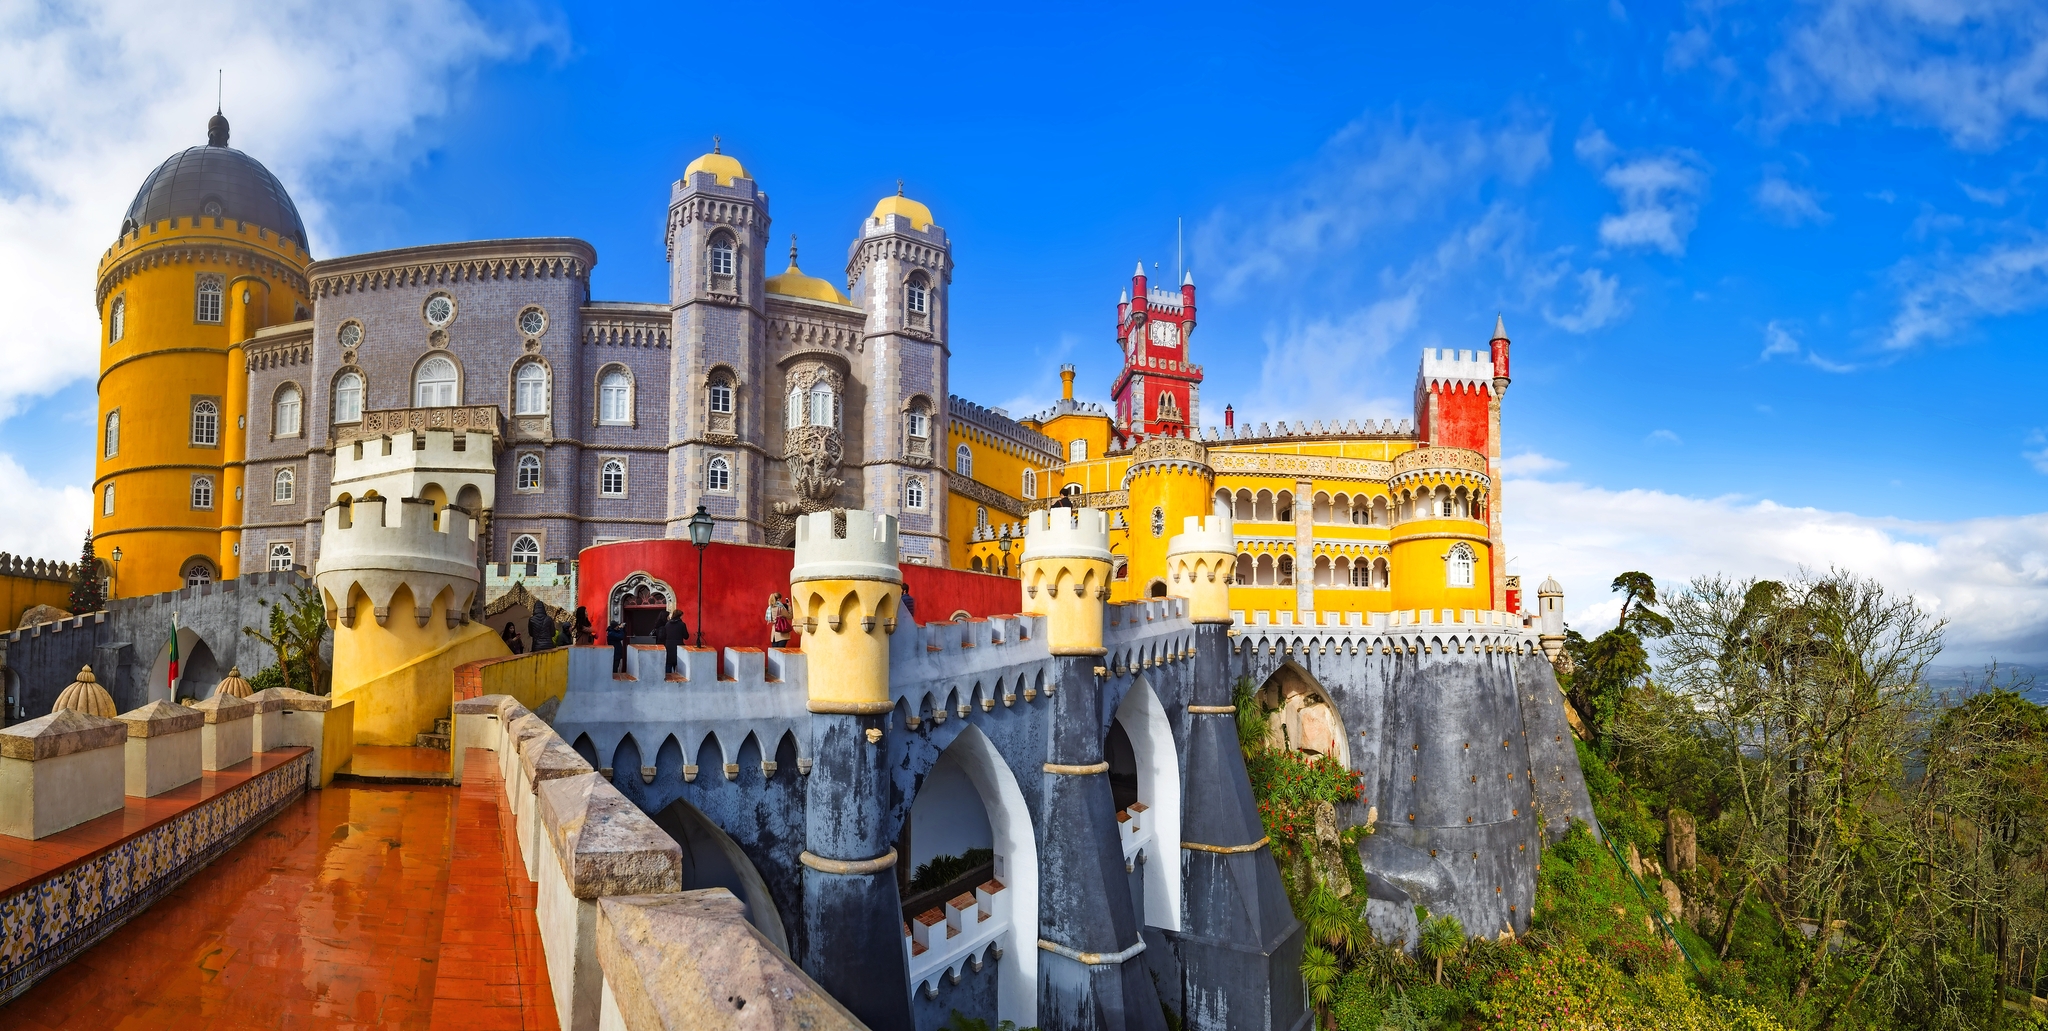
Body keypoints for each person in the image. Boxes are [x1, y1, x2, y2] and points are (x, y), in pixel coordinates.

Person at [662, 609, 687, 677]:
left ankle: (667, 678)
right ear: (680, 616)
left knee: (668, 663)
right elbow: (686, 636)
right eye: (682, 616)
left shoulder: (667, 624)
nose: (683, 617)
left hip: (668, 646)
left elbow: (664, 635)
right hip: (678, 646)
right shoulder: (682, 624)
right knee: (679, 664)